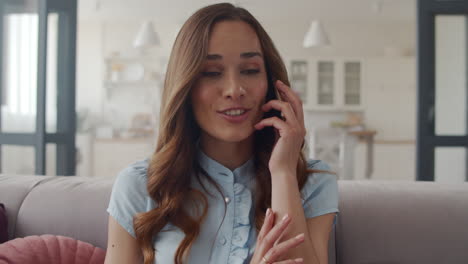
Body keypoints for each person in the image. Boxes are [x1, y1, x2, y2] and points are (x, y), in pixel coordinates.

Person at [104, 3, 339, 264]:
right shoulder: (138, 186)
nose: (234, 89)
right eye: (212, 73)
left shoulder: (312, 184)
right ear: (186, 86)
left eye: (250, 70)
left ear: (271, 84)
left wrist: (283, 171)